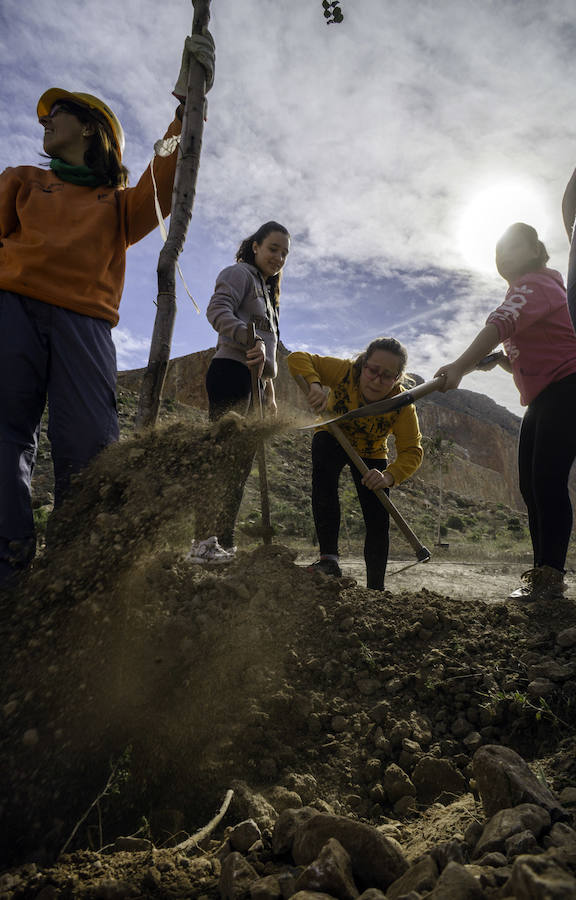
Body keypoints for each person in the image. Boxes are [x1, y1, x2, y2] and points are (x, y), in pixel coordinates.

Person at [0, 36, 215, 585]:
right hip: (12, 310)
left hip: (84, 323)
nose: (45, 120)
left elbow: (164, 182)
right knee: (3, 432)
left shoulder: (119, 206)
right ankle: (10, 557)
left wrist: (188, 108)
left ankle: (77, 559)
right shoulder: (22, 181)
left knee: (91, 444)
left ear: (91, 128)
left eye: (58, 113)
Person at [434, 222, 576, 603]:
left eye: (512, 246)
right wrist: (500, 362)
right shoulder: (531, 293)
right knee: (532, 488)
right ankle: (542, 574)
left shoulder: (536, 284)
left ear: (535, 250)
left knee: (547, 481)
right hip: (546, 395)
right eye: (498, 250)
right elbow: (532, 358)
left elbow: (500, 323)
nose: (503, 254)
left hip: (567, 389)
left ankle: (550, 578)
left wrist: (459, 366)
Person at [187, 221, 291, 564]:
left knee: (240, 466)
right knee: (224, 460)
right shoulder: (239, 274)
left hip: (255, 384)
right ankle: (202, 542)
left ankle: (223, 543)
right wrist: (248, 338)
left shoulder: (267, 293)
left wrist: (270, 391)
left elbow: (266, 349)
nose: (278, 257)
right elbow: (217, 312)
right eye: (273, 248)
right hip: (231, 373)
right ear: (256, 246)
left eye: (284, 253)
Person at [287, 338, 423, 590]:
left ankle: (376, 588)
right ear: (363, 365)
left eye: (387, 375)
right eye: (372, 370)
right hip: (332, 435)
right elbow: (297, 358)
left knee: (378, 515)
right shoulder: (345, 372)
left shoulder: (402, 404)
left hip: (372, 452)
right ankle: (329, 561)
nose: (376, 380)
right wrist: (314, 385)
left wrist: (388, 477)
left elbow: (411, 451)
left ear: (397, 378)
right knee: (324, 475)